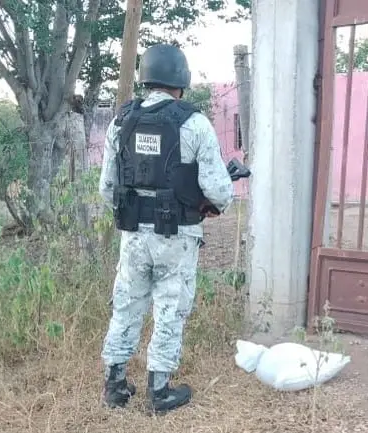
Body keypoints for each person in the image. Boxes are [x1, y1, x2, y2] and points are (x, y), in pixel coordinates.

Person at [97, 43, 234, 414]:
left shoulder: (120, 121)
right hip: (176, 237)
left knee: (126, 305)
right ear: (181, 82)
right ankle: (159, 391)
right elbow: (219, 190)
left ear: (146, 78)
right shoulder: (193, 123)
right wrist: (211, 203)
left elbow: (107, 189)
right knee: (170, 309)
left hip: (132, 235)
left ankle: (115, 385)